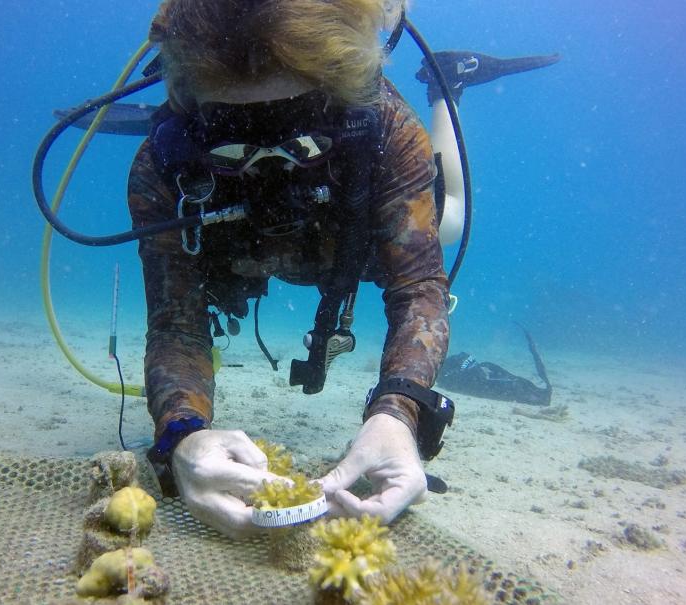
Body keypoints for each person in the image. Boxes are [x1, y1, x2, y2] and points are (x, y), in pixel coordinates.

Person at [128, 0, 450, 538]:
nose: (268, 161)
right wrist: (182, 433)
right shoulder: (161, 168)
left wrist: (399, 411)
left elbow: (418, 284)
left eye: (296, 127)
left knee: (449, 216)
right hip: (251, 249)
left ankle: (449, 89)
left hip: (356, 233)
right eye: (232, 131)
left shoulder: (388, 129)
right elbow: (176, 321)